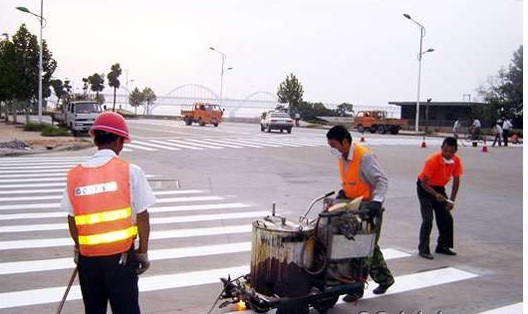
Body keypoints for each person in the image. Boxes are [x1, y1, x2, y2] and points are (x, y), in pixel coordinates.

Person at [61, 112, 156, 313]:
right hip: (120, 259)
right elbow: (142, 215)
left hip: (89, 262)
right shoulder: (130, 171)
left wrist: (79, 248)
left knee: (94, 310)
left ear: (95, 138)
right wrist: (143, 252)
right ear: (120, 141)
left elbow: (71, 218)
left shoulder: (75, 174)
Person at [326, 125, 394, 302]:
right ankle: (385, 279)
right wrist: (344, 193)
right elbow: (352, 180)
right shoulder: (343, 157)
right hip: (353, 206)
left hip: (368, 209)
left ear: (345, 141)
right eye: (331, 147)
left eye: (335, 145)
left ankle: (356, 289)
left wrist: (377, 202)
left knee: (362, 248)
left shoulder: (364, 156)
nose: (334, 150)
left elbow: (381, 180)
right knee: (369, 246)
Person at [417, 137, 463, 260]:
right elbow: (423, 183)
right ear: (442, 148)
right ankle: (423, 249)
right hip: (425, 189)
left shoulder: (456, 161)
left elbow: (456, 181)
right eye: (445, 151)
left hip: (439, 188)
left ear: (455, 151)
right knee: (428, 219)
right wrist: (435, 195)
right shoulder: (432, 161)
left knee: (446, 218)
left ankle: (443, 246)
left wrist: (451, 201)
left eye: (451, 152)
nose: (448, 154)